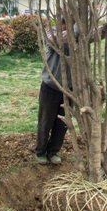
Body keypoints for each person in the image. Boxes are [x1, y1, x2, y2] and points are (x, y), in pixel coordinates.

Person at [35, 21, 71, 165]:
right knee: (46, 121)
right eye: (65, 22)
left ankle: (53, 151)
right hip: (50, 86)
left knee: (62, 123)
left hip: (70, 89)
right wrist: (75, 30)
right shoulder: (51, 32)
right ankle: (40, 151)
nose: (67, 25)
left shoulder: (79, 35)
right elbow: (61, 41)